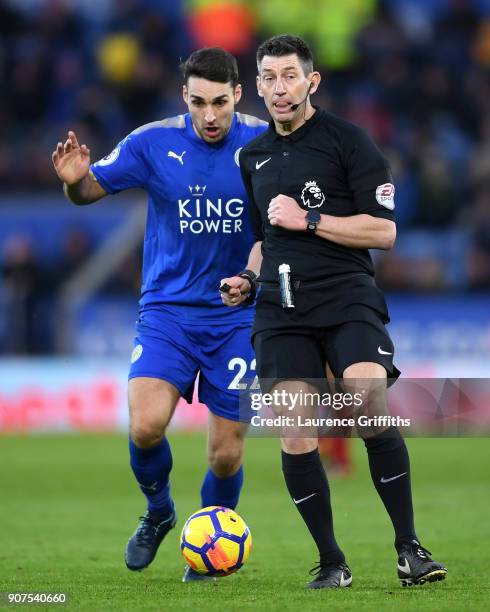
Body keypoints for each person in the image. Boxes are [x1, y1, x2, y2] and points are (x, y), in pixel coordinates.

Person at [221, 34, 447, 589]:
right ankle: (330, 561)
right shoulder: (251, 156)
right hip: (281, 307)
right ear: (258, 86)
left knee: (367, 404)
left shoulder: (350, 142)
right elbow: (264, 238)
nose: (279, 88)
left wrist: (311, 220)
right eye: (269, 78)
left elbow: (384, 230)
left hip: (346, 297)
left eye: (290, 76)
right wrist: (249, 277)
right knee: (296, 432)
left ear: (311, 81)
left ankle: (409, 548)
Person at [52, 47, 267, 581]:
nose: (210, 115)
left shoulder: (266, 142)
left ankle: (211, 551)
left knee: (225, 456)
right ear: (184, 98)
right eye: (199, 102)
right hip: (167, 312)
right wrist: (75, 180)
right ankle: (160, 511)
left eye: (220, 102)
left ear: (238, 95)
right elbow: (88, 191)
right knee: (146, 427)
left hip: (238, 316)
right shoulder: (152, 142)